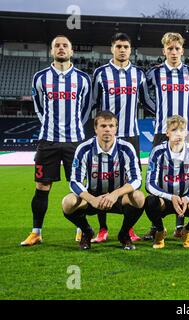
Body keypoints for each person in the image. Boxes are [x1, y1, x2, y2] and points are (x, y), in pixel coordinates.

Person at [21, 35, 92, 246]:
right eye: (57, 46)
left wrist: (73, 128)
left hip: (75, 143)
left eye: (65, 46)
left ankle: (81, 229)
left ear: (71, 51)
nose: (61, 48)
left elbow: (86, 108)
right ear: (52, 51)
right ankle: (36, 232)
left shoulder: (83, 78)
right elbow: (38, 106)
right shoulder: (40, 77)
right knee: (42, 186)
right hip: (48, 141)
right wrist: (50, 126)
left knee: (78, 187)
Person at [144, 32, 189, 240]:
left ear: (182, 50)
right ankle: (155, 226)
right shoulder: (155, 73)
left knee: (184, 177)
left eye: (177, 48)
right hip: (161, 131)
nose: (174, 52)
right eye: (170, 48)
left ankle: (179, 225)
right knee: (157, 177)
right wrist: (156, 110)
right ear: (164, 50)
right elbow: (142, 93)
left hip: (186, 133)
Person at [91, 32, 154, 243]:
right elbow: (92, 104)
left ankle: (129, 229)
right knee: (101, 181)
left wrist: (166, 115)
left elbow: (147, 102)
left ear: (130, 50)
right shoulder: (100, 73)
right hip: (107, 138)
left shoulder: (139, 74)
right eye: (118, 46)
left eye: (126, 46)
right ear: (112, 48)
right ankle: (102, 228)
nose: (122, 50)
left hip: (131, 136)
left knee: (131, 183)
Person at [62, 111, 145, 250]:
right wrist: (91, 199)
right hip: (92, 197)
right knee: (67, 203)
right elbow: (74, 181)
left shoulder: (126, 148)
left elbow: (136, 179)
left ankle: (124, 234)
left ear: (116, 128)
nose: (107, 129)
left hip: (117, 198)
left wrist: (115, 194)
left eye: (111, 126)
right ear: (95, 129)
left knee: (139, 197)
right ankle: (87, 231)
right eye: (103, 125)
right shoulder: (84, 149)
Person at [144, 115, 189, 249]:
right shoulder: (158, 152)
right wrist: (171, 197)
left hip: (184, 202)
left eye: (182, 130)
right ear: (167, 133)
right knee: (150, 201)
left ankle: (187, 230)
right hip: (165, 200)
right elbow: (149, 184)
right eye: (174, 130)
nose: (178, 134)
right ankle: (159, 231)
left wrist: (188, 198)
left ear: (186, 133)